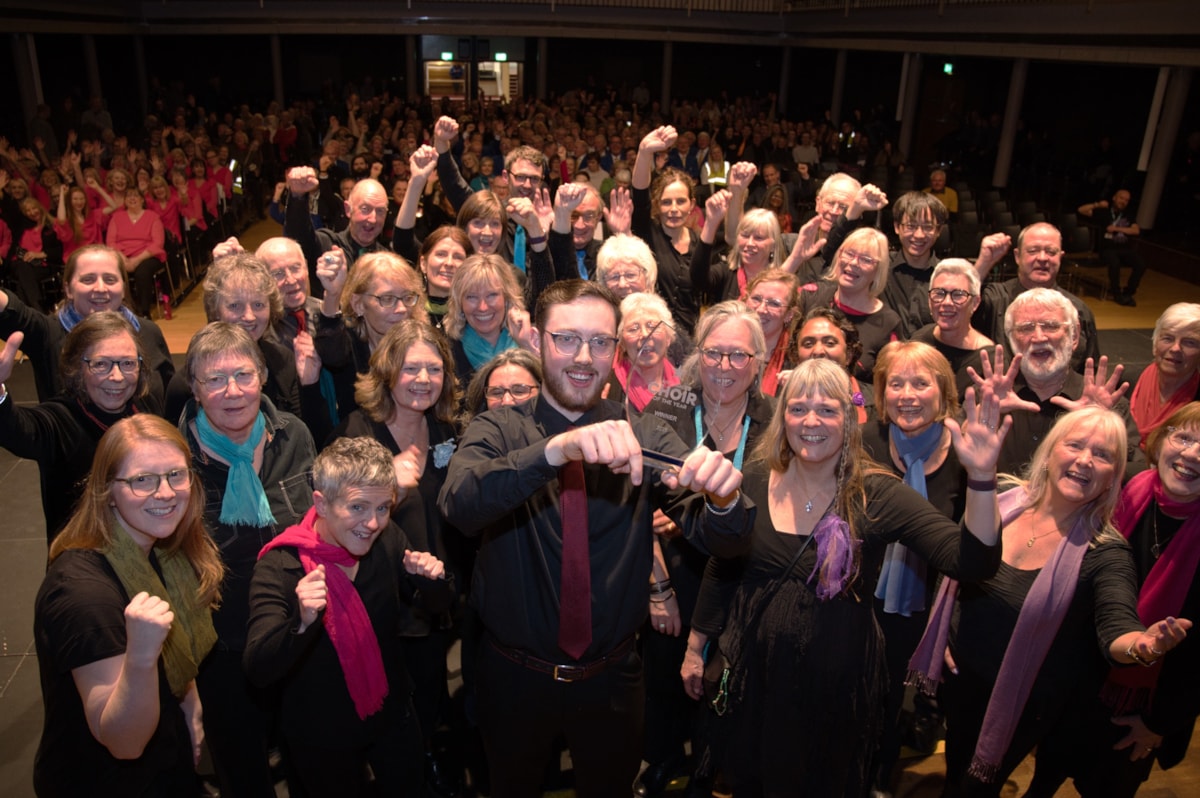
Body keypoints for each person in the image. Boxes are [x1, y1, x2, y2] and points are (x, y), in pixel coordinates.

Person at [438, 279, 752, 797]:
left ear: (617, 350)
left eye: (601, 342)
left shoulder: (644, 433)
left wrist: (724, 500)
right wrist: (554, 452)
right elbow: (460, 504)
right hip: (514, 679)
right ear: (537, 343)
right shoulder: (500, 429)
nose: (584, 357)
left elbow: (726, 541)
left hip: (612, 681)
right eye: (567, 339)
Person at [682, 358, 1004, 795]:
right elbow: (724, 564)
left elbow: (972, 562)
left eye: (828, 410)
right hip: (754, 676)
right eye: (797, 409)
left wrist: (982, 478)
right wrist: (696, 647)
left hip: (836, 683)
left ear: (849, 420)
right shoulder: (753, 477)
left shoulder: (878, 493)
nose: (811, 421)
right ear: (783, 418)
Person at [908, 407, 1191, 797]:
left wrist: (1144, 646)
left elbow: (1117, 628)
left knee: (974, 789)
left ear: (1113, 476)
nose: (1085, 460)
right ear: (1051, 451)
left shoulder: (1105, 552)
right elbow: (959, 561)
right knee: (956, 770)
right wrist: (946, 633)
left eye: (1103, 454)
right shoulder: (1004, 501)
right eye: (1075, 445)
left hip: (1020, 704)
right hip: (961, 686)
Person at [244, 436, 452, 797]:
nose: (372, 523)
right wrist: (301, 622)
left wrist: (432, 583)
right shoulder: (281, 566)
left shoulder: (387, 540)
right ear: (321, 504)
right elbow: (258, 668)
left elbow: (435, 608)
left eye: (383, 508)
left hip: (392, 712)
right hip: (321, 733)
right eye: (357, 508)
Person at [33, 414, 222, 797]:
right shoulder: (84, 596)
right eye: (142, 480)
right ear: (107, 490)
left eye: (175, 474)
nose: (166, 493)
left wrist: (190, 701)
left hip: (164, 764)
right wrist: (140, 656)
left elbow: (181, 650)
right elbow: (123, 741)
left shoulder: (162, 550)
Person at [638, 300, 774, 797]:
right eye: (714, 353)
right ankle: (663, 759)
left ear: (758, 361)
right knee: (665, 681)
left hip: (744, 579)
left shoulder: (775, 420)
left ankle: (710, 767)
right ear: (698, 354)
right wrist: (658, 590)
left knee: (727, 687)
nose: (724, 367)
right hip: (676, 576)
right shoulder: (667, 408)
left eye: (738, 356)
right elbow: (638, 511)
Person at [179, 322, 317, 798]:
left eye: (242, 375)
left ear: (261, 376)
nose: (232, 391)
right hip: (221, 646)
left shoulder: (293, 435)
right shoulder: (176, 458)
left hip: (295, 633)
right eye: (214, 379)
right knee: (242, 772)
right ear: (194, 388)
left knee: (308, 758)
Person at [1040, 405, 1200, 797]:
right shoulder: (1124, 491)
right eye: (1183, 437)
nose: (1192, 454)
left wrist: (1160, 724)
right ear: (1160, 441)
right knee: (1043, 780)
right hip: (1076, 685)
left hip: (1141, 708)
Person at [861, 341, 967, 793]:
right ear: (881, 395)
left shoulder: (967, 452)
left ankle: (880, 775)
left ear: (943, 391)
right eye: (895, 383)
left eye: (921, 383)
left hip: (926, 605)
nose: (907, 394)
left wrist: (950, 625)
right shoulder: (863, 439)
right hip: (859, 594)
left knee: (890, 699)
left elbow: (973, 548)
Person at [0, 311, 163, 542]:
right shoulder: (59, 421)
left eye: (127, 363)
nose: (117, 377)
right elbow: (17, 429)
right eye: (101, 364)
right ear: (77, 367)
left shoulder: (146, 405)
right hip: (85, 561)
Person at [974, 288, 1143, 476]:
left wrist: (1102, 427)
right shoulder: (986, 395)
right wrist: (984, 418)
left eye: (1051, 326)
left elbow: (1138, 472)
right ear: (1011, 340)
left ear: (1075, 336)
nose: (1038, 337)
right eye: (1026, 328)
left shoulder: (1108, 405)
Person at [0, 244, 174, 402]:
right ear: (68, 289)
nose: (100, 288)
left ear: (123, 288)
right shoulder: (48, 334)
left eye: (110, 279)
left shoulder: (149, 332)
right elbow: (15, 313)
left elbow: (170, 399)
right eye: (88, 279)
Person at [973, 222, 1100, 374]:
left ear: (1061, 257)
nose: (1042, 258)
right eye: (1033, 251)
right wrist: (983, 263)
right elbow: (960, 303)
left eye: (1051, 252)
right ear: (1017, 256)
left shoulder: (1078, 309)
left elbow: (1090, 368)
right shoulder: (994, 298)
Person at [314, 248, 427, 416]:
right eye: (387, 299)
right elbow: (332, 352)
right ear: (358, 304)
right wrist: (333, 295)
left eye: (407, 297)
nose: (402, 309)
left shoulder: (425, 342)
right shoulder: (349, 344)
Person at [799, 226, 900, 385]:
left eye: (866, 259)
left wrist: (852, 397)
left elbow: (887, 388)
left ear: (878, 271)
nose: (853, 263)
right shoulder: (810, 296)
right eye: (849, 254)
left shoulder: (888, 323)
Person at [632, 126, 704, 334]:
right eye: (666, 202)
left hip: (689, 341)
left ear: (691, 204)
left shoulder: (699, 244)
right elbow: (639, 193)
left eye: (680, 201)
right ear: (657, 204)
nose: (673, 209)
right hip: (651, 337)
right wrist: (645, 152)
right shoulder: (647, 233)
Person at [284, 166, 391, 299]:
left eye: (380, 211)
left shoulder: (388, 261)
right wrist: (297, 196)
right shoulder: (326, 244)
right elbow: (297, 239)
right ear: (347, 209)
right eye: (365, 209)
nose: (373, 219)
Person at [443, 252, 533, 389]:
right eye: (471, 297)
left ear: (507, 298)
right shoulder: (446, 352)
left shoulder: (530, 343)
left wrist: (528, 347)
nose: (483, 307)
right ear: (459, 303)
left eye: (492, 295)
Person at [910, 258, 993, 398]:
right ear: (929, 301)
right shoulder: (920, 340)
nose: (947, 302)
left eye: (958, 295)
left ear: (975, 303)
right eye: (939, 293)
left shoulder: (988, 360)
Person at [1129, 303, 1200, 446]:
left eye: (1189, 343)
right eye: (1168, 338)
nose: (1175, 348)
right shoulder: (1126, 381)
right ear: (1155, 345)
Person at [608, 292, 680, 412]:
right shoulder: (608, 388)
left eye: (652, 326)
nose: (645, 334)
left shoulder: (684, 385)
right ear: (622, 343)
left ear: (668, 338)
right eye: (633, 329)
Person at [1079, 188, 1145, 307]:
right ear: (1114, 198)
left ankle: (1128, 292)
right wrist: (1097, 204)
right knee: (1114, 263)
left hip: (1124, 249)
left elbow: (1136, 230)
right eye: (1121, 198)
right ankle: (1116, 293)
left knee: (1141, 264)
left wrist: (1117, 229)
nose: (1123, 201)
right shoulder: (1104, 212)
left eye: (1126, 200)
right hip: (1107, 249)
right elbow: (1081, 210)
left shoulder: (1128, 214)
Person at [106, 189, 166, 318]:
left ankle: (144, 311)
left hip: (147, 255)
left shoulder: (153, 217)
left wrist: (136, 260)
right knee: (115, 270)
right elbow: (111, 242)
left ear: (142, 200)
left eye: (136, 196)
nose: (132, 198)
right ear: (125, 200)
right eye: (129, 196)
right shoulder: (116, 217)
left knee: (142, 272)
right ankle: (123, 309)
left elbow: (158, 243)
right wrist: (123, 259)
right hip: (122, 256)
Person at [744, 268, 800, 397]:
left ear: (789, 315)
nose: (761, 309)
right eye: (756, 299)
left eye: (774, 303)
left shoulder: (797, 360)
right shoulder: (724, 346)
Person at [462, 347, 543, 422]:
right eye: (496, 393)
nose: (506, 401)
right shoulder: (474, 436)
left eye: (519, 391)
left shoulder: (555, 434)